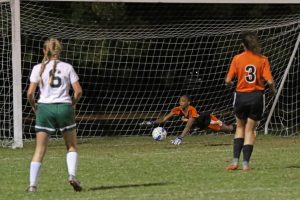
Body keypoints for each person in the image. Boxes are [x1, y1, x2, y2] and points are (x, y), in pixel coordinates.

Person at [26, 38, 83, 192]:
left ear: (45, 51)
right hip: (64, 107)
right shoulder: (68, 67)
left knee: (39, 149)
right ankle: (71, 175)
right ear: (60, 50)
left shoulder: (38, 68)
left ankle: (32, 185)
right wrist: (72, 103)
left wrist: (34, 107)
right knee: (71, 146)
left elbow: (30, 93)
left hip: (44, 108)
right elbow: (78, 91)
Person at [225, 31, 276, 171]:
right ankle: (246, 164)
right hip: (256, 97)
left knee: (240, 127)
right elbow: (270, 81)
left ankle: (235, 162)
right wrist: (272, 90)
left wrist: (233, 84)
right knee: (250, 130)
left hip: (241, 96)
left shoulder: (237, 58)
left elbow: (228, 80)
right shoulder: (262, 59)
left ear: (243, 44)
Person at [139, 95, 234, 145]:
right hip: (200, 125)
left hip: (208, 121)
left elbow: (189, 124)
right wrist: (152, 122)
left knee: (228, 129)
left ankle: (237, 126)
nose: (181, 102)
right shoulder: (178, 109)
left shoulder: (192, 109)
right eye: (180, 100)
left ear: (188, 102)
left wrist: (180, 137)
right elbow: (164, 118)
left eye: (183, 101)